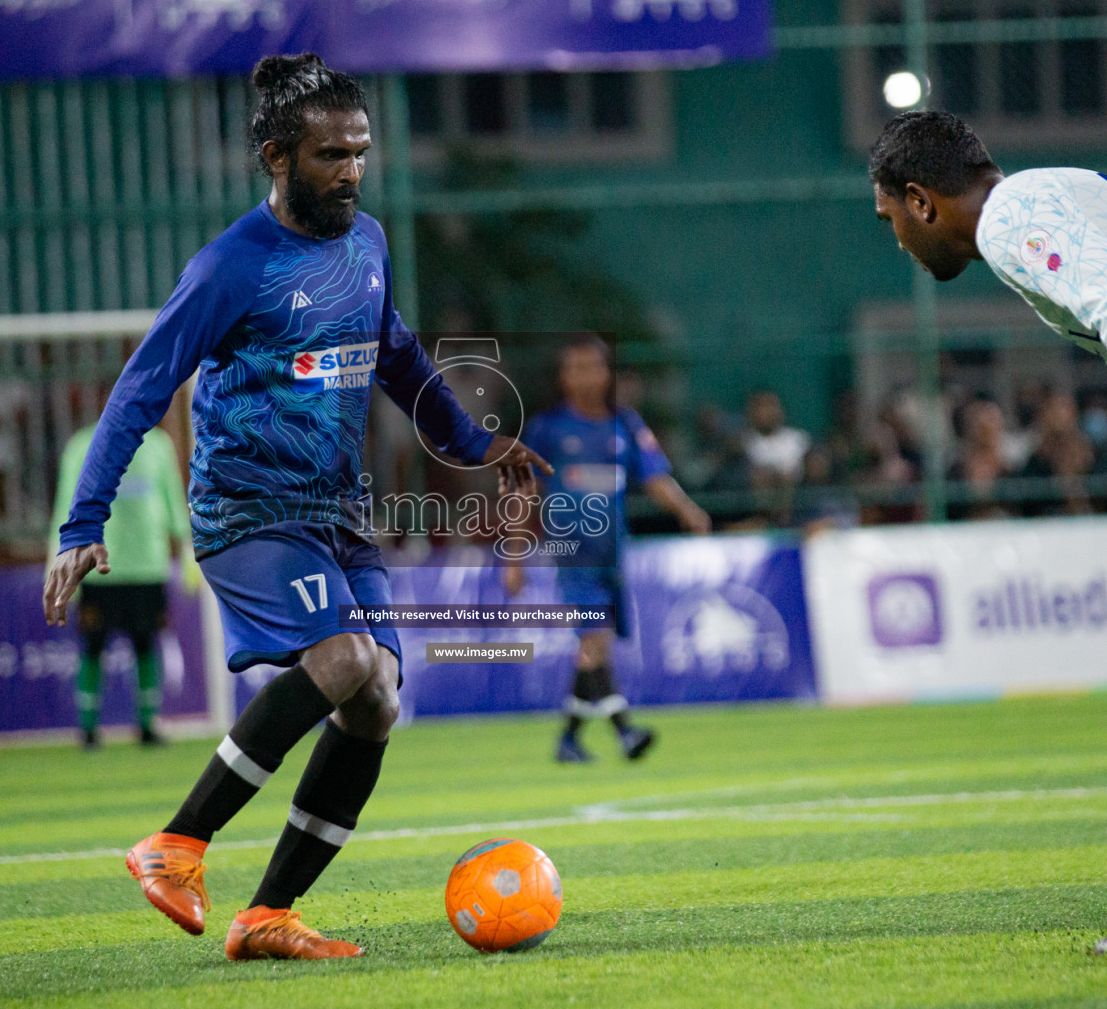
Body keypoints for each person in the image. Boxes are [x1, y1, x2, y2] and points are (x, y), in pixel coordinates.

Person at [43, 53, 550, 960]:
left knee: (379, 700)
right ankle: (176, 844)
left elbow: (394, 351)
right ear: (277, 157)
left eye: (360, 152)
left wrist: (475, 445)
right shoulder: (230, 268)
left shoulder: (369, 243)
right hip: (248, 509)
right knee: (345, 654)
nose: (352, 170)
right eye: (330, 156)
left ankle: (266, 915)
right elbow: (139, 390)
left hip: (337, 514)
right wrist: (83, 524)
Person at [870, 109, 1107, 953]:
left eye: (891, 216)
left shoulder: (1010, 219)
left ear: (923, 202)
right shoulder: (1045, 199)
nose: (896, 238)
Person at [503, 335, 710, 763]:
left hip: (613, 553)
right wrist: (514, 554)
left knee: (596, 647)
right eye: (575, 368)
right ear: (563, 377)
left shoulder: (626, 425)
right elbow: (525, 493)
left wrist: (687, 509)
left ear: (606, 372)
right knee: (594, 638)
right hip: (572, 551)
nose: (585, 376)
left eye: (593, 366)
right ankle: (624, 730)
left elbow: (653, 477)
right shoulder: (548, 428)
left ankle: (569, 739)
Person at [48, 423, 193, 748]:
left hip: (148, 567)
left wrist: (187, 551)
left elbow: (172, 498)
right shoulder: (81, 445)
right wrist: (57, 561)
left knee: (145, 643)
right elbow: (65, 507)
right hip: (99, 567)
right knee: (93, 646)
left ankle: (146, 726)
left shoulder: (158, 445)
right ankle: (87, 729)